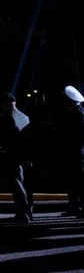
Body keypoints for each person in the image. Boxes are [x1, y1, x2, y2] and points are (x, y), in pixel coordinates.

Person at [0, 92, 33, 223]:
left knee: (17, 184)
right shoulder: (25, 116)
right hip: (26, 154)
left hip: (13, 154)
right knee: (26, 184)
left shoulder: (6, 118)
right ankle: (29, 211)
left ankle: (23, 212)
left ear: (5, 104)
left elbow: (0, 136)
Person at [59, 85, 84, 217]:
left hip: (77, 152)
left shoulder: (78, 113)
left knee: (79, 181)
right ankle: (74, 207)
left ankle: (79, 207)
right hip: (74, 152)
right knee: (73, 181)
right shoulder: (76, 112)